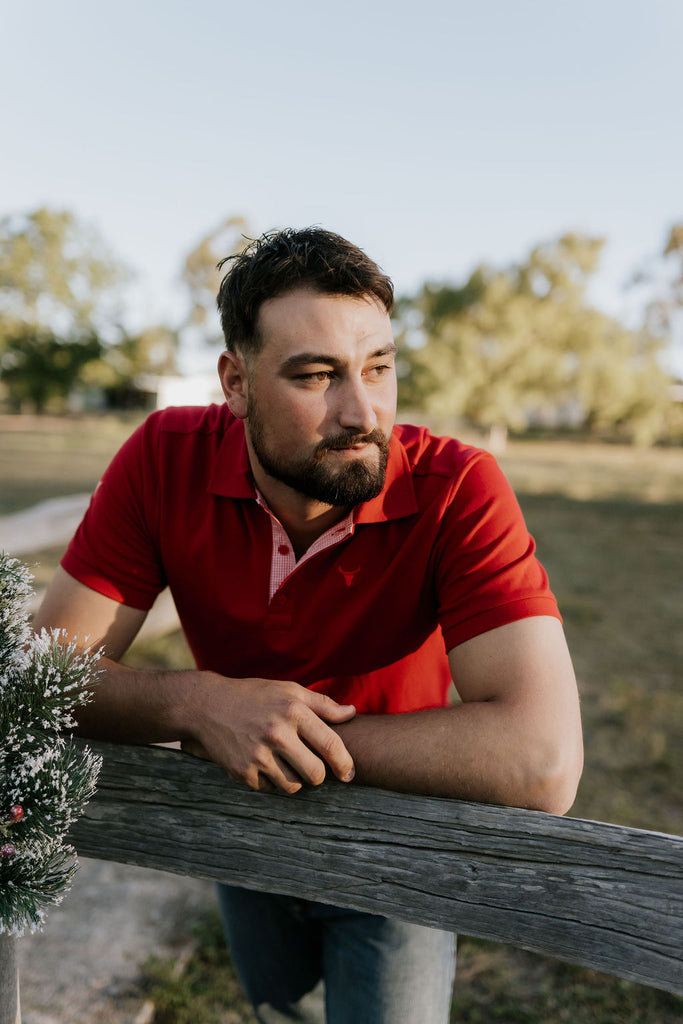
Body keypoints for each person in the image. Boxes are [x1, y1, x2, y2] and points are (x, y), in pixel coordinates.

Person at [34, 226, 583, 1024]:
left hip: (402, 838)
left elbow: (541, 761)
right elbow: (49, 675)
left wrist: (270, 733)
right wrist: (197, 704)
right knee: (275, 1013)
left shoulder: (459, 487)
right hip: (240, 825)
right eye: (316, 375)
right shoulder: (162, 458)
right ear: (235, 380)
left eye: (379, 369)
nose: (361, 411)